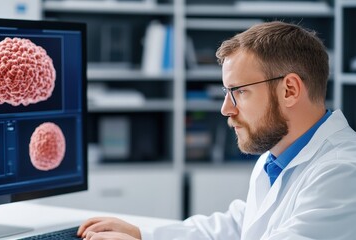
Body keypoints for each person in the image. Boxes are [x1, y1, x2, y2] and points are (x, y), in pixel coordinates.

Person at [76, 21, 356, 240]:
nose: (226, 108)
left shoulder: (343, 173)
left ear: (290, 90)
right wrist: (143, 234)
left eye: (240, 91)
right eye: (227, 92)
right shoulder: (278, 157)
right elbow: (237, 227)